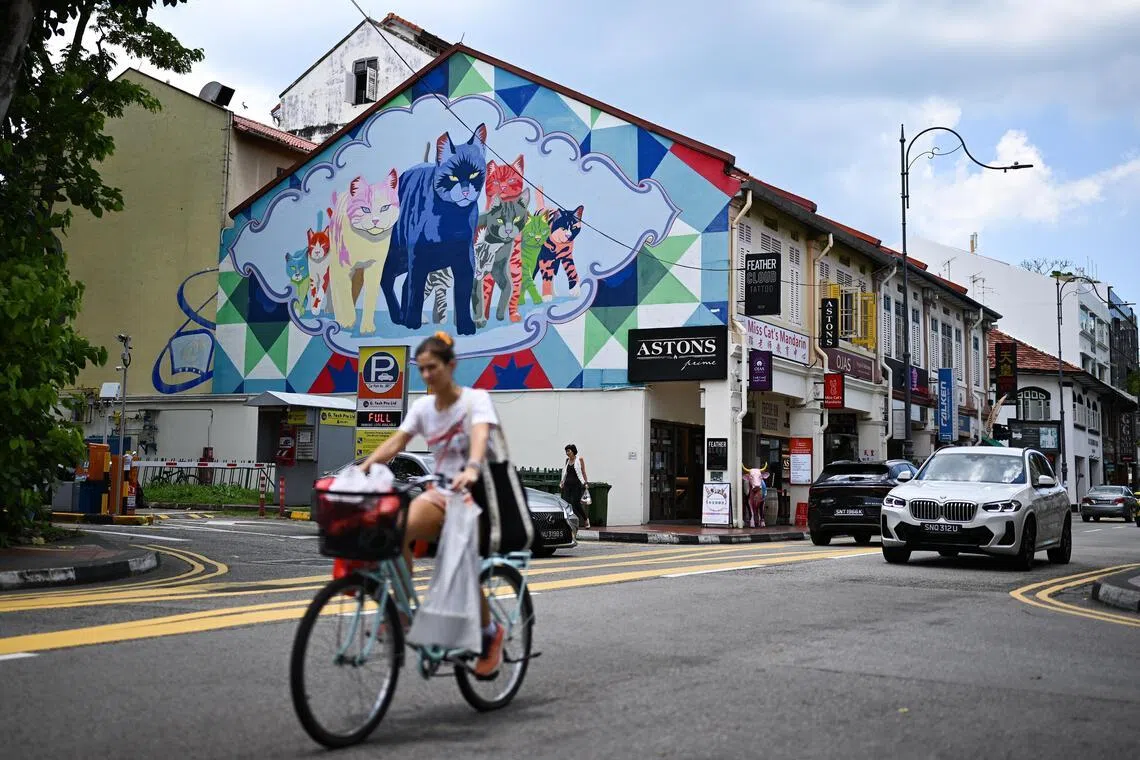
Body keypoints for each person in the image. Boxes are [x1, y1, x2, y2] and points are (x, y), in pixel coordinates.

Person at [358, 331, 504, 678]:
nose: (426, 375)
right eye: (421, 369)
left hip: (475, 494)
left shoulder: (474, 401)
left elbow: (481, 436)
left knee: (460, 570)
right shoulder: (423, 407)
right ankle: (404, 615)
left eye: (432, 368)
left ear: (451, 366)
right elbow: (398, 440)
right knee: (396, 530)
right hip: (440, 493)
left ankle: (490, 633)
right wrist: (366, 465)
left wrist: (471, 466)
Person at [560, 444, 590, 529]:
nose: (567, 453)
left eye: (568, 451)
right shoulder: (567, 460)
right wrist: (562, 482)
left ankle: (586, 520)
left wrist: (585, 482)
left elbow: (583, 472)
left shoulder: (579, 459)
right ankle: (569, 521)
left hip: (576, 485)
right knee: (566, 503)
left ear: (573, 451)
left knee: (576, 504)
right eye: (566, 451)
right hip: (567, 485)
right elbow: (565, 473)